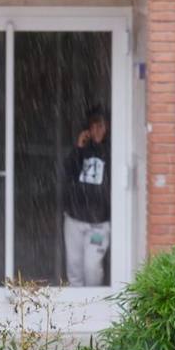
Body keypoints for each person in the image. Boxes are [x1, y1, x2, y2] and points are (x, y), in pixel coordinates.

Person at [63, 106, 111, 287]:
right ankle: (77, 313)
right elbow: (68, 172)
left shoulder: (112, 151)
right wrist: (79, 148)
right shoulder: (82, 151)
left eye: (101, 126)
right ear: (88, 129)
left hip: (98, 223)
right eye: (94, 126)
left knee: (92, 267)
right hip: (75, 219)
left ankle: (93, 306)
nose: (97, 130)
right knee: (74, 268)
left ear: (108, 128)